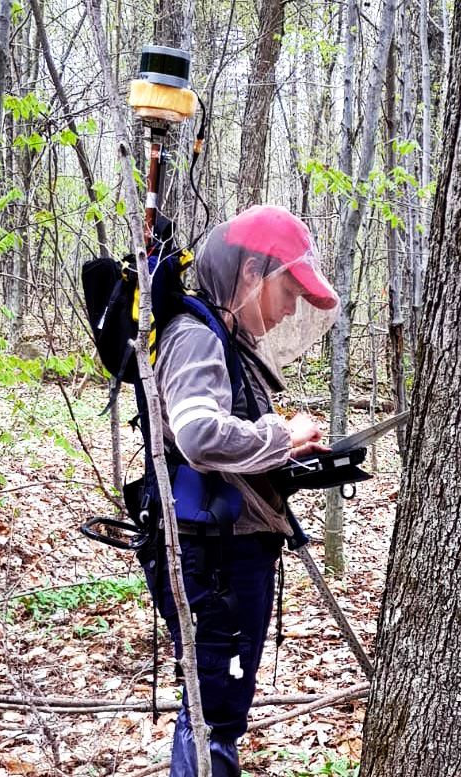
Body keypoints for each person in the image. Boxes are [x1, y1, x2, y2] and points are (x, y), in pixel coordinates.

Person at [138, 204, 339, 777]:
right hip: (214, 557)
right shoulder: (197, 336)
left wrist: (291, 453)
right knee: (214, 712)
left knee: (217, 706)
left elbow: (219, 442)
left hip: (227, 548)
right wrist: (281, 434)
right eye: (288, 292)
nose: (290, 309)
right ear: (251, 274)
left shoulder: (224, 339)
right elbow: (199, 434)